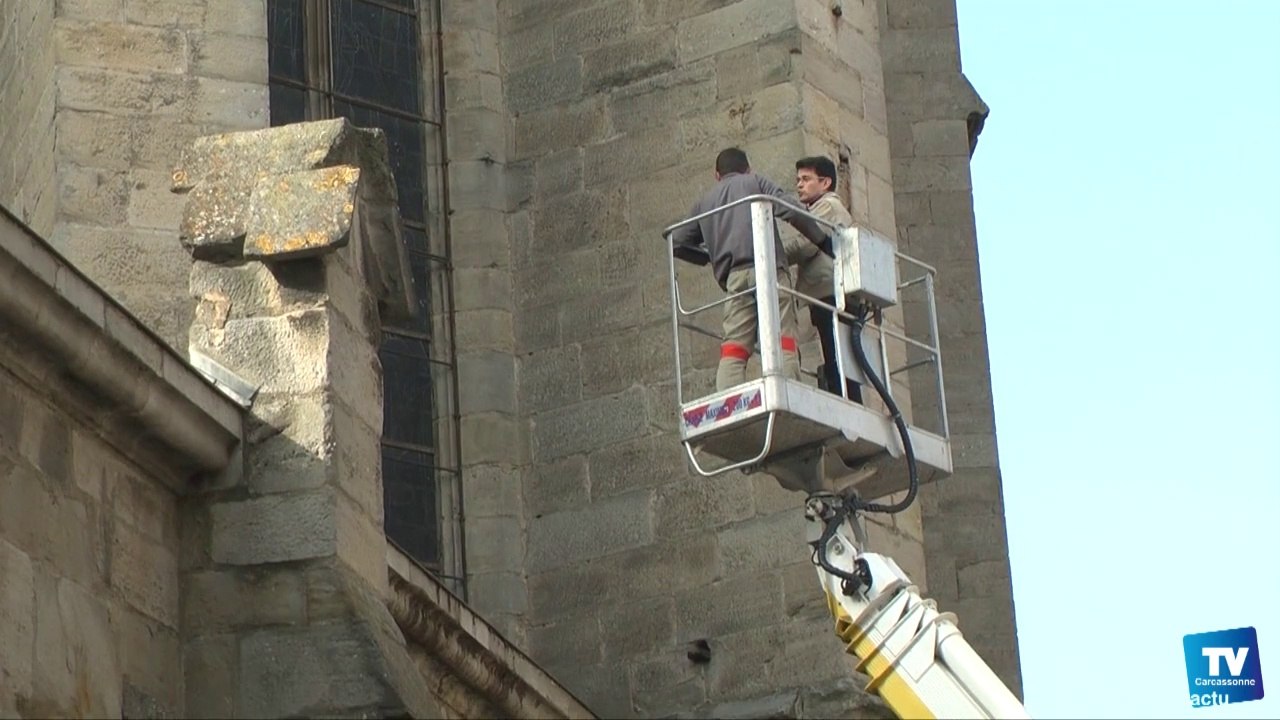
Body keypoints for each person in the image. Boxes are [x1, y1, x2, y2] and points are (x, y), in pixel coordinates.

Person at [671, 148, 831, 391]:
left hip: (734, 280)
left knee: (734, 347)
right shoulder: (754, 182)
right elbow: (789, 209)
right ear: (747, 169)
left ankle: (729, 399)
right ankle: (789, 392)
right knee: (783, 338)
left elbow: (677, 241)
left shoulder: (705, 202)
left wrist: (711, 257)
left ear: (717, 175)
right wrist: (821, 240)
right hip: (769, 272)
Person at [785, 155, 863, 403]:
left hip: (830, 292)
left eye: (806, 179)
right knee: (840, 355)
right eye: (798, 180)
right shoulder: (827, 208)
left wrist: (772, 253)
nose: (799, 185)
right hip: (832, 291)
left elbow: (805, 245)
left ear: (825, 182)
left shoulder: (827, 207)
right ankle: (847, 399)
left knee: (836, 354)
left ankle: (845, 401)